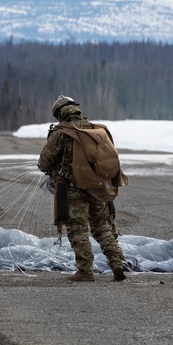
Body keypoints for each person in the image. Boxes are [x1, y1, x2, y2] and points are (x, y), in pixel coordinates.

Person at [38, 94, 127, 282]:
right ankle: (117, 263)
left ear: (59, 114)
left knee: (78, 229)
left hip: (74, 190)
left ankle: (85, 270)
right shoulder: (97, 130)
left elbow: (45, 162)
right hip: (100, 188)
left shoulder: (61, 133)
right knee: (102, 227)